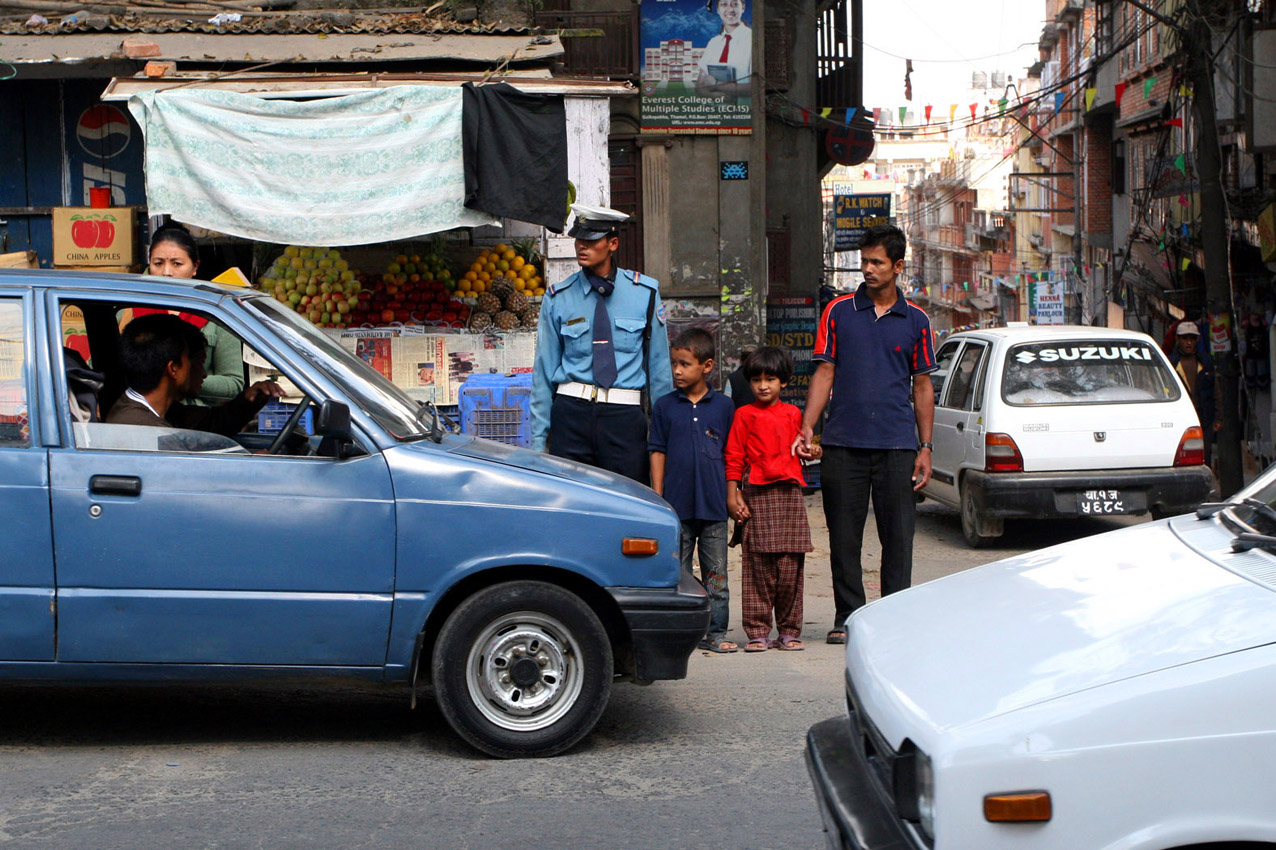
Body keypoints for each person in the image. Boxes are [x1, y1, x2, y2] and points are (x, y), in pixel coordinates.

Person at [793, 224, 936, 645]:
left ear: (898, 266)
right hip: (842, 443)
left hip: (897, 445)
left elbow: (922, 386)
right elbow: (825, 371)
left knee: (898, 536)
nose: (868, 269)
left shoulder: (917, 320)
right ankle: (847, 616)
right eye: (865, 262)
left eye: (877, 262)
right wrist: (808, 425)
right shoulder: (838, 312)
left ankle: (894, 615)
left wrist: (925, 447)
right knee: (843, 535)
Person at [531, 204, 673, 483]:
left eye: (592, 240)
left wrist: (663, 440)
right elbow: (543, 373)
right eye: (578, 238)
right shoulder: (559, 297)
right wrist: (538, 442)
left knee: (628, 501)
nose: (582, 246)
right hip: (571, 413)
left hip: (624, 416)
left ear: (613, 243)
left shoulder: (645, 294)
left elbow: (659, 372)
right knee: (570, 503)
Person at [649, 328, 737, 654]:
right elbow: (657, 451)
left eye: (685, 364)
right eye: (674, 363)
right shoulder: (664, 406)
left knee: (716, 577)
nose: (677, 371)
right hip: (676, 506)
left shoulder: (725, 407)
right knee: (678, 575)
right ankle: (679, 637)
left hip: (714, 506)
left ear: (707, 365)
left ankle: (716, 632)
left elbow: (733, 454)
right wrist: (658, 497)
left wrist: (734, 493)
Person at [726, 346, 816, 653]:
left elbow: (801, 449)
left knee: (790, 567)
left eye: (771, 379)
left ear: (784, 382)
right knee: (757, 566)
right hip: (757, 493)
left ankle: (789, 631)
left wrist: (811, 451)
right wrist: (733, 492)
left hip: (789, 495)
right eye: (757, 379)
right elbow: (734, 456)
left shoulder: (793, 414)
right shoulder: (743, 414)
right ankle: (757, 631)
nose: (763, 385)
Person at [106, 312, 282, 436]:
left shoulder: (161, 411)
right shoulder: (145, 431)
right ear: (173, 369)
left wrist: (248, 401)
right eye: (197, 364)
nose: (204, 374)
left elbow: (211, 422)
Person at [145, 225, 246, 407]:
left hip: (196, 424)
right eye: (158, 263)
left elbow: (233, 383)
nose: (167, 272)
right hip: (141, 422)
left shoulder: (216, 314)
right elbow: (100, 367)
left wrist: (183, 379)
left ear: (195, 267)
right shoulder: (129, 310)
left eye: (177, 264)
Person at [1170, 320, 1222, 465]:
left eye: (1192, 338)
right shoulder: (1172, 364)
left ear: (1197, 340)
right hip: (1180, 420)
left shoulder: (1205, 362)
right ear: (1178, 339)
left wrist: (1218, 418)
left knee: (1205, 457)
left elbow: (1215, 390)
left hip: (1204, 419)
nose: (1188, 342)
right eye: (1185, 338)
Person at [695, 0, 752, 98]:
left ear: (743, 7)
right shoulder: (713, 43)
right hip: (714, 111)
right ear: (718, 10)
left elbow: (755, 88)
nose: (730, 9)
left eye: (735, 4)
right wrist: (723, 98)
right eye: (724, 4)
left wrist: (716, 84)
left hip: (743, 111)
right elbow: (700, 87)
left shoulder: (753, 39)